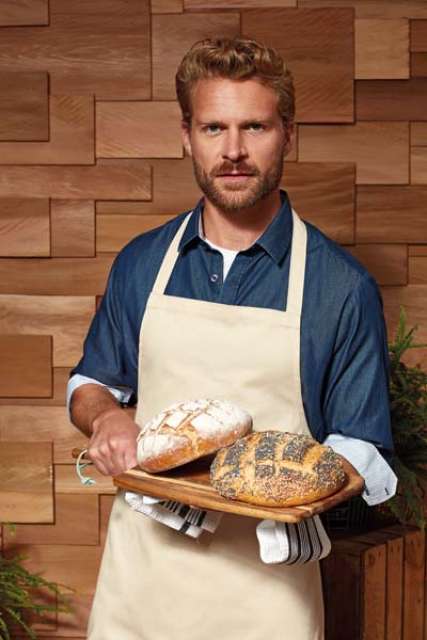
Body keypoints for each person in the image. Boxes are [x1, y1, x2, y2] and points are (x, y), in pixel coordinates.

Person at [68, 37, 397, 640]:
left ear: (288, 135)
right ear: (186, 136)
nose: (234, 151)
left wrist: (298, 502)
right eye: (214, 127)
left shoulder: (340, 286)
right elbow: (92, 382)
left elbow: (363, 444)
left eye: (255, 127)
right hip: (140, 583)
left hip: (268, 592)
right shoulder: (142, 262)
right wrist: (106, 418)